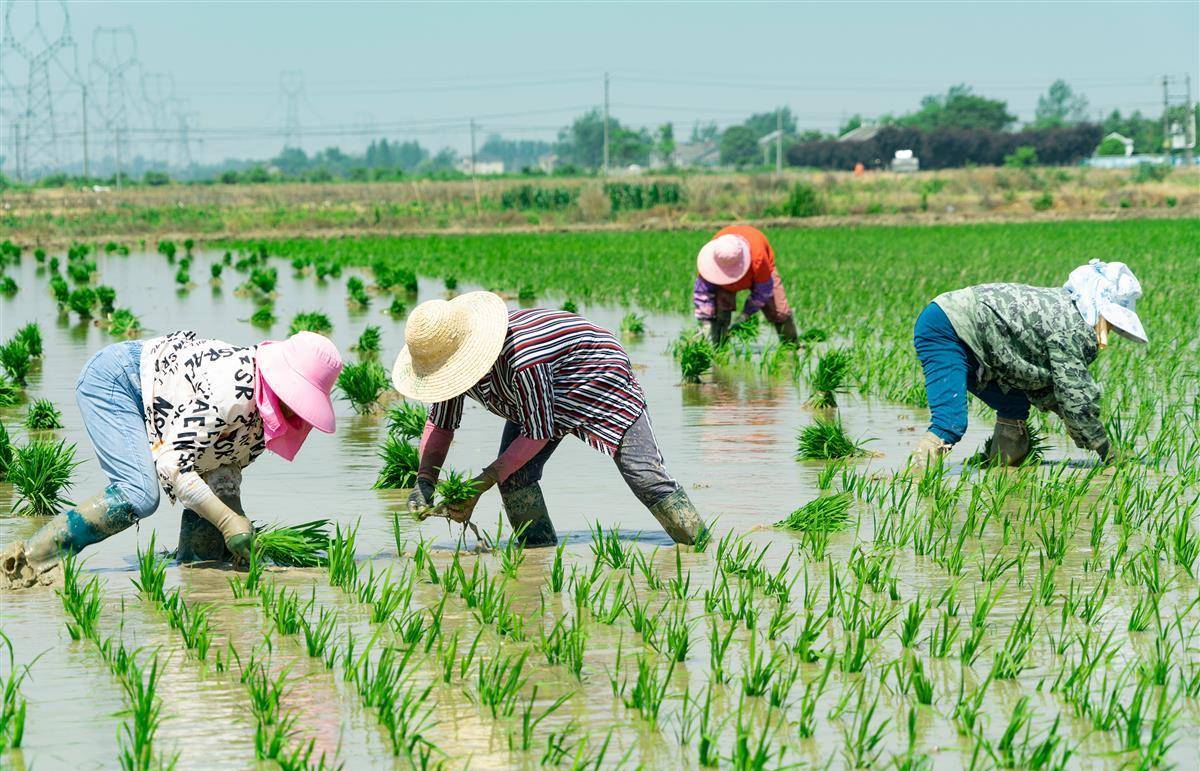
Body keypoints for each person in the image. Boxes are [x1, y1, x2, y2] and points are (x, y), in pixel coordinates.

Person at [1, 330, 343, 588]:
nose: (298, 412)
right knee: (139, 494)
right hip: (119, 381)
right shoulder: (235, 387)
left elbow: (224, 465)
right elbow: (173, 463)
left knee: (211, 551)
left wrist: (232, 516)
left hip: (150, 397)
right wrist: (228, 522)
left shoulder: (268, 415)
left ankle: (191, 567)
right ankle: (26, 562)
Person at [392, 292, 704, 547]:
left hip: (596, 376)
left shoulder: (524, 357)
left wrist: (480, 483)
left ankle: (698, 545)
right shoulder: (451, 368)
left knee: (644, 475)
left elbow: (537, 433)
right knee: (515, 478)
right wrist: (424, 482)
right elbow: (441, 425)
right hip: (533, 397)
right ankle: (535, 554)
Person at [911, 259, 1146, 466]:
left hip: (961, 326)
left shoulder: (1068, 307)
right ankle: (915, 483)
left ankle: (1002, 474)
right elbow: (1075, 399)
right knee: (950, 422)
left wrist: (1078, 424)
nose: (1112, 329)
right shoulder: (1073, 328)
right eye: (1112, 322)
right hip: (947, 328)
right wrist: (1106, 451)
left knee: (1013, 403)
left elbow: (1052, 389)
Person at [694, 224, 798, 345]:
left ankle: (791, 347)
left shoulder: (758, 258)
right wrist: (705, 322)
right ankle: (717, 349)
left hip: (758, 272)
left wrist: (745, 314)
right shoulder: (711, 259)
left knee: (779, 311)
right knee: (719, 314)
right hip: (722, 278)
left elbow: (763, 291)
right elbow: (702, 292)